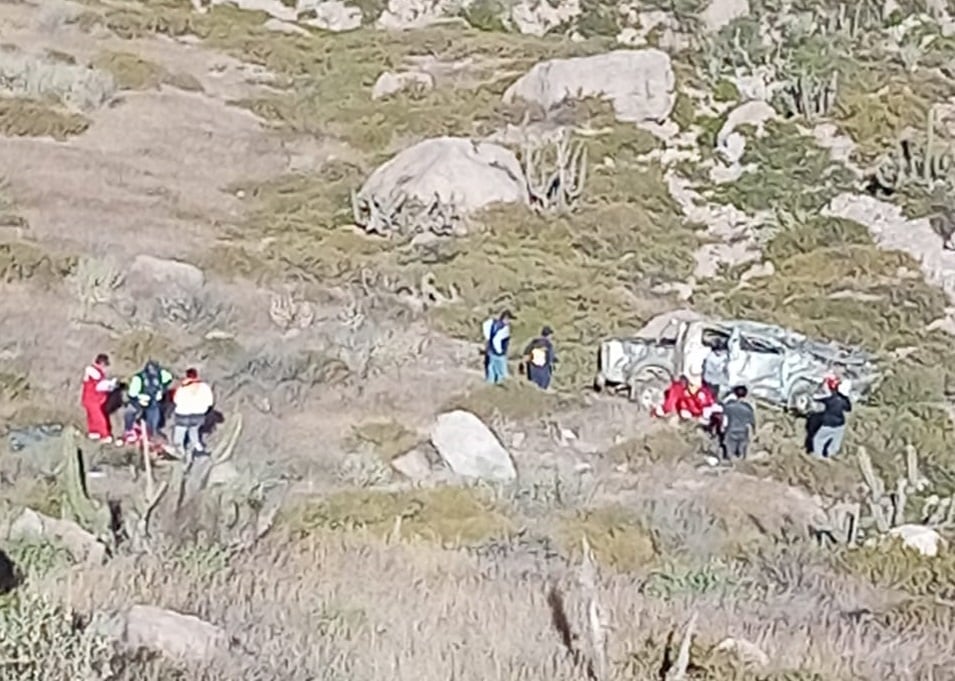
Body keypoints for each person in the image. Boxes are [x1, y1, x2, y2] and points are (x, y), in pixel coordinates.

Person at [122, 360, 174, 444]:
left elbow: (169, 378)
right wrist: (139, 397)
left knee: (151, 416)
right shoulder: (140, 378)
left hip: (153, 401)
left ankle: (149, 433)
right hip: (142, 400)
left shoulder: (158, 374)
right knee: (131, 412)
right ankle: (131, 430)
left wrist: (162, 390)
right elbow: (132, 394)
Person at [172, 368, 215, 460]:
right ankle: (198, 449)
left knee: (180, 432)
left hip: (183, 414)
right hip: (198, 414)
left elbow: (176, 400)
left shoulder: (182, 387)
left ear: (187, 376)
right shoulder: (204, 387)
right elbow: (210, 402)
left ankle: (180, 452)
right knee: (194, 431)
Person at [812, 375, 852, 459]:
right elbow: (848, 409)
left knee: (818, 440)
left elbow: (816, 398)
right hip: (840, 425)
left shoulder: (831, 398)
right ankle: (831, 456)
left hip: (828, 424)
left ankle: (819, 457)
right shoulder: (845, 401)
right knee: (835, 443)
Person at [81, 353, 118, 443]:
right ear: (102, 363)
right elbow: (99, 385)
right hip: (92, 398)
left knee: (92, 416)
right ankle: (104, 434)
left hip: (91, 398)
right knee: (98, 417)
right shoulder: (94, 372)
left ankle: (94, 431)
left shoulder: (96, 372)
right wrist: (110, 385)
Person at [720, 385, 756, 460]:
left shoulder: (728, 406)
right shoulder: (748, 408)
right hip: (743, 432)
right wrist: (754, 431)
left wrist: (722, 429)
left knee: (729, 453)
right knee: (742, 453)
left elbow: (724, 419)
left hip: (730, 430)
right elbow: (751, 422)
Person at [482, 310, 513, 385]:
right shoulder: (504, 328)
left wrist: (487, 339)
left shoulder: (493, 324)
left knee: (492, 370)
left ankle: (490, 386)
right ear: (505, 318)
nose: (509, 322)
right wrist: (500, 351)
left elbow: (485, 325)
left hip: (491, 351)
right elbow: (497, 340)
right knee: (501, 373)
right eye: (509, 319)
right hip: (499, 353)